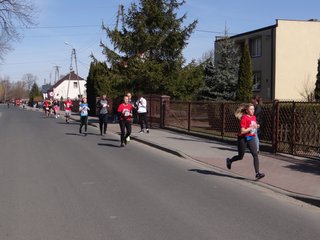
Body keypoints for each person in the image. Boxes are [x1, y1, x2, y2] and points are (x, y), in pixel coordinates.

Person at [226, 103, 265, 180]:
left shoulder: (253, 117)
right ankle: (230, 160)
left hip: (251, 138)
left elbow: (253, 125)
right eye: (251, 109)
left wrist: (257, 126)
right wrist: (251, 128)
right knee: (240, 156)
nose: (252, 111)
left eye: (253, 109)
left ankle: (257, 173)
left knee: (255, 154)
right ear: (247, 110)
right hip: (243, 138)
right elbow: (243, 131)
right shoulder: (244, 118)